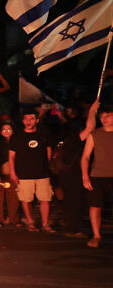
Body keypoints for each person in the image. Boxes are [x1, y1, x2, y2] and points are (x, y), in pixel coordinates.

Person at [55, 101, 99, 238]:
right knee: (75, 202)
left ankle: (70, 224)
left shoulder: (64, 139)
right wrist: (92, 111)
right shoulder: (74, 139)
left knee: (69, 202)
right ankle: (73, 229)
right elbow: (90, 128)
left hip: (65, 176)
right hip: (74, 176)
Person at [9, 111, 55, 232]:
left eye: (31, 119)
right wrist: (13, 172)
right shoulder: (17, 136)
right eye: (26, 119)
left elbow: (49, 151)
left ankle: (45, 224)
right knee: (26, 199)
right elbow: (11, 156)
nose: (28, 122)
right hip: (24, 174)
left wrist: (46, 166)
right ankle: (30, 222)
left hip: (42, 173)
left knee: (45, 199)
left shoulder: (44, 134)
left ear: (37, 120)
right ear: (23, 121)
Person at [81, 103, 113, 248]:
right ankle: (96, 235)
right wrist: (85, 176)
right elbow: (85, 157)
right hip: (98, 175)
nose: (104, 119)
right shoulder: (94, 134)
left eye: (108, 116)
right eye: (102, 116)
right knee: (95, 206)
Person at [0, 123, 19, 228]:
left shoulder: (17, 142)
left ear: (13, 131)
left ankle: (14, 219)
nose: (6, 131)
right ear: (0, 131)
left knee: (14, 197)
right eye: (4, 129)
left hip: (13, 173)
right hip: (0, 173)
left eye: (9, 129)